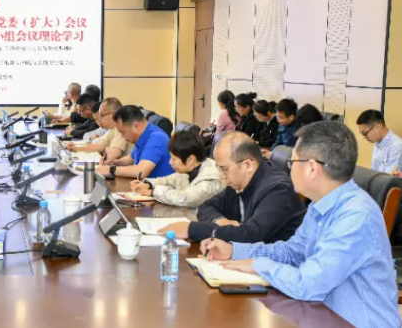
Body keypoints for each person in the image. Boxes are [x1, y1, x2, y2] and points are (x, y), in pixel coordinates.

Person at [202, 122, 400, 328]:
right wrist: (234, 250)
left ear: (312, 168)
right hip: (320, 315)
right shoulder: (319, 206)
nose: (289, 169)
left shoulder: (355, 216)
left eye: (292, 162)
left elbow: (308, 284)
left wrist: (257, 264)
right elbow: (292, 253)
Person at [159, 132, 305, 243]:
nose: (221, 176)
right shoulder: (237, 180)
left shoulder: (278, 189)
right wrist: (220, 222)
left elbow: (251, 235)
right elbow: (206, 206)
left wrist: (192, 229)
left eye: (224, 169)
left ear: (247, 165)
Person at [130, 131, 224, 209]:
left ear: (190, 159)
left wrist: (153, 192)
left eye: (174, 159)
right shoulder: (190, 168)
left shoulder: (211, 179)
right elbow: (168, 181)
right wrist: (148, 184)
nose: (170, 162)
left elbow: (186, 199)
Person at [98, 105, 174, 179]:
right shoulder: (143, 134)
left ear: (136, 126)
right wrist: (114, 163)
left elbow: (141, 172)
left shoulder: (157, 138)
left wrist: (111, 170)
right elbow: (131, 158)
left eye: (123, 132)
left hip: (160, 186)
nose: (123, 137)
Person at [66, 98, 133, 162]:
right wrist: (76, 148)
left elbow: (111, 156)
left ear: (112, 115)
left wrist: (106, 148)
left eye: (102, 116)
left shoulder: (121, 128)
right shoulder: (113, 129)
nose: (100, 120)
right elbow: (100, 146)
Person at [357, 110, 402, 175]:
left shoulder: (396, 146)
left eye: (365, 133)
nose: (364, 137)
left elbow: (388, 178)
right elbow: (374, 171)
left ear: (377, 127)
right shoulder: (377, 143)